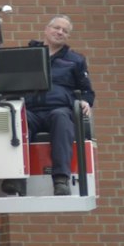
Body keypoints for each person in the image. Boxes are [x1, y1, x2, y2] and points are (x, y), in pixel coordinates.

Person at [27, 14, 95, 195]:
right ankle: (15, 179)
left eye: (65, 31)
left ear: (68, 37)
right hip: (30, 111)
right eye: (56, 28)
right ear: (46, 30)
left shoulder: (76, 60)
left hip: (58, 109)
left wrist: (86, 102)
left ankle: (61, 180)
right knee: (15, 121)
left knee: (61, 117)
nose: (60, 32)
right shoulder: (26, 56)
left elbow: (87, 91)